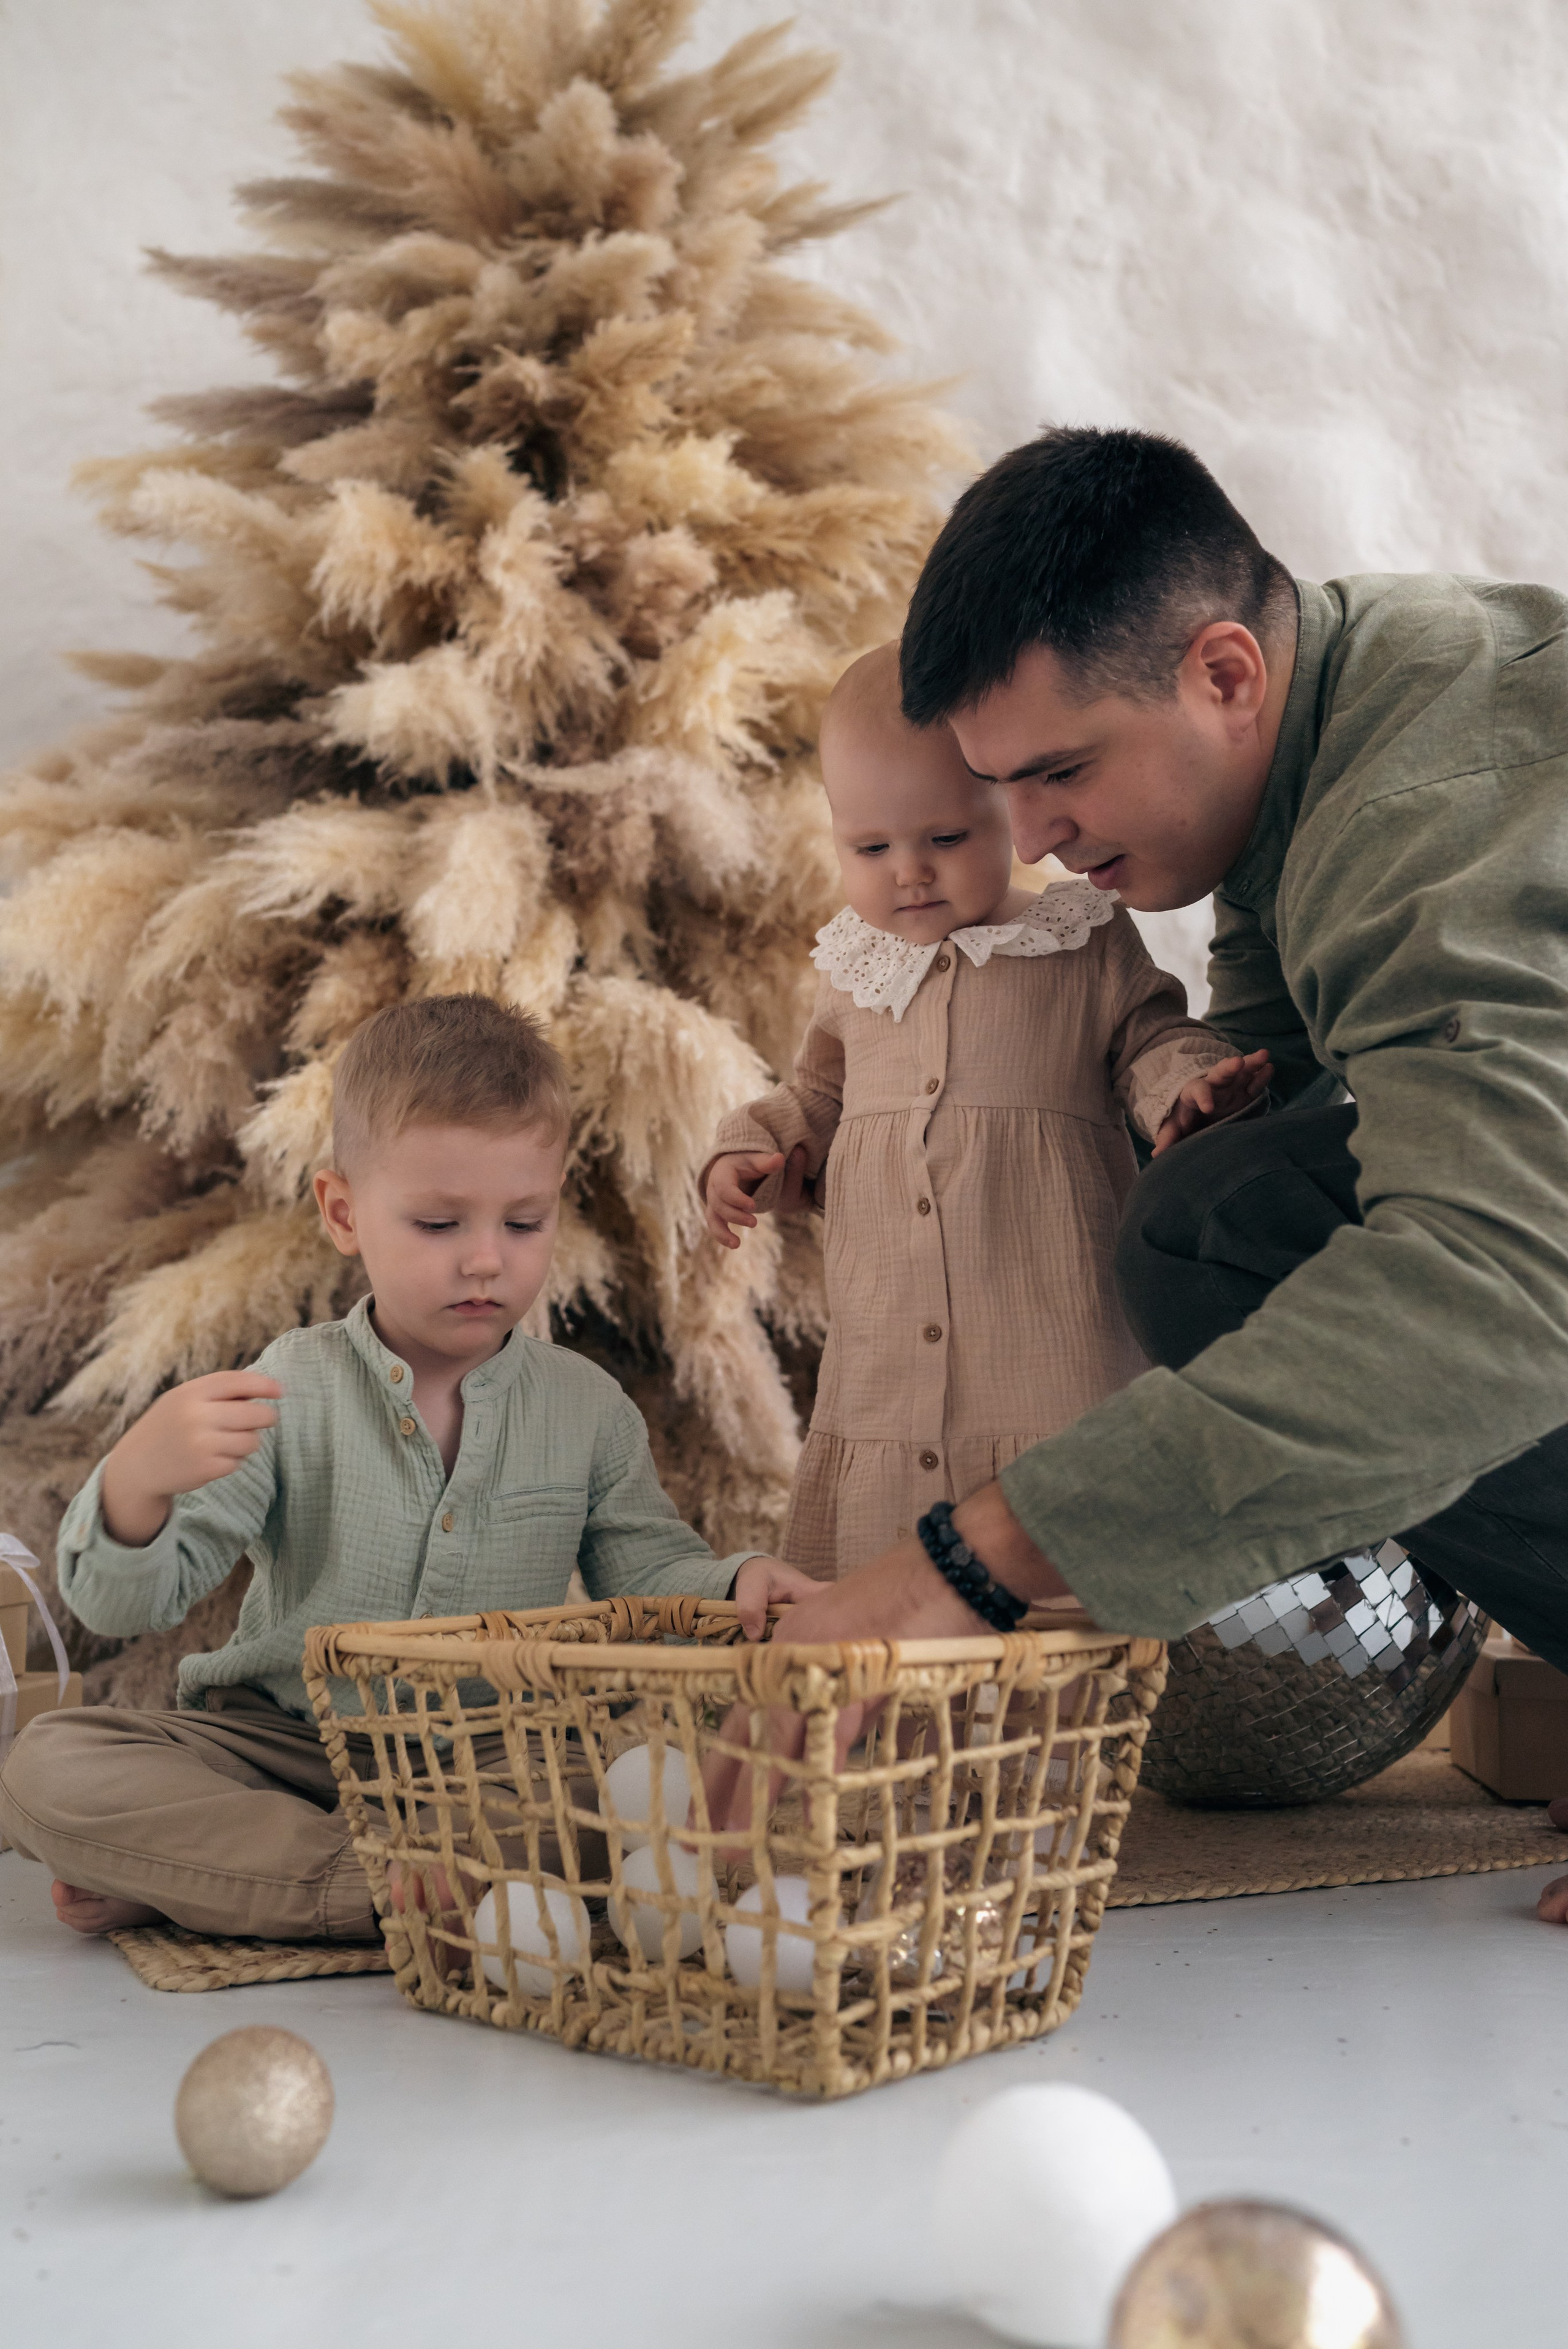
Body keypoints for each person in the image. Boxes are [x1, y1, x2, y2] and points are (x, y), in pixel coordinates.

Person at [706, 425, 1568, 1931]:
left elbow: (1499, 1282)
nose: (1028, 839)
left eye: (1056, 774)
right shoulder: (1305, 747)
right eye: (996, 787)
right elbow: (1242, 1128)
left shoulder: (1424, 822)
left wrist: (954, 1568)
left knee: (1258, 1235)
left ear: (1222, 674)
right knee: (1211, 1214)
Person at [0, 994, 815, 1942]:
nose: (485, 1260)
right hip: (282, 1750)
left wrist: (735, 1583)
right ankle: (368, 1887)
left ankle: (225, 1880)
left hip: (494, 1773)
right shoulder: (289, 1385)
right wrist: (137, 1483)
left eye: (524, 1221)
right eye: (437, 1224)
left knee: (640, 1788)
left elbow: (650, 1579)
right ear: (343, 1212)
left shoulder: (586, 1409)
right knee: (52, 1762)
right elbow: (122, 1607)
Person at [699, 641, 1267, 1578]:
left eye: (947, 838)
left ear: (1008, 808)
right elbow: (816, 1099)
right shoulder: (856, 971)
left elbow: (1150, 1039)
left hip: (1050, 1355)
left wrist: (1188, 1091)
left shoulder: (1076, 941)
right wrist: (752, 1154)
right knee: (882, 1618)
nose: (910, 872)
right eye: (871, 848)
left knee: (1063, 1621)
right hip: (886, 1368)